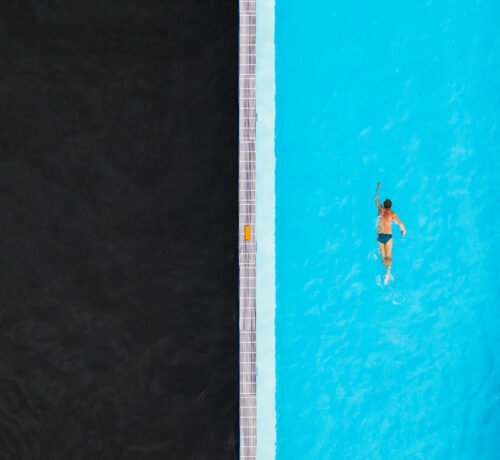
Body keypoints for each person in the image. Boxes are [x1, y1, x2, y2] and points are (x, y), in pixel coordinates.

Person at [375, 182, 406, 284]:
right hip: (388, 237)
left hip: (380, 237)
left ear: (384, 205)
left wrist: (377, 189)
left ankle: (385, 267)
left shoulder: (380, 210)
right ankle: (387, 273)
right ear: (390, 206)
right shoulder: (392, 213)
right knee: (389, 257)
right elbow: (400, 223)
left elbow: (376, 199)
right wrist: (404, 230)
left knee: (383, 256)